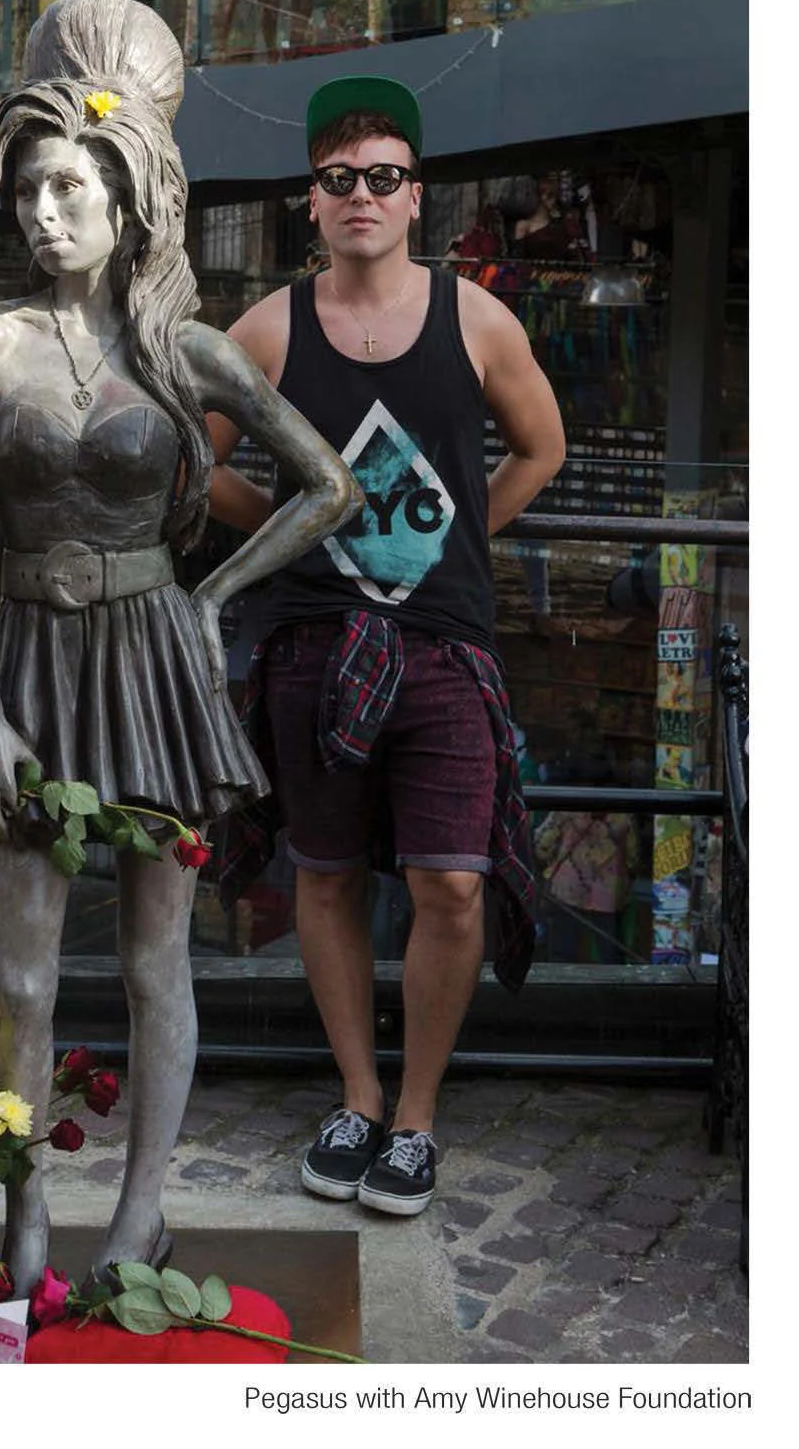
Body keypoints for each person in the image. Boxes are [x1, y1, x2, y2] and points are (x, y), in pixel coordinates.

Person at [0, 0, 359, 1292]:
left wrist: (214, 595)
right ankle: (21, 1214)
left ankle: (138, 1213)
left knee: (151, 958)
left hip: (153, 673)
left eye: (68, 187)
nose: (43, 213)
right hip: (27, 665)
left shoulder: (186, 353)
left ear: (127, 198)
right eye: (28, 190)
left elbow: (326, 482)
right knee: (22, 973)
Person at [207, 74, 565, 1217]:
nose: (359, 194)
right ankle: (356, 1098)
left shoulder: (477, 320)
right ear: (310, 200)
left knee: (449, 882)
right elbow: (188, 462)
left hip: (444, 646)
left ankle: (414, 1117)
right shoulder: (266, 328)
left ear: (415, 194)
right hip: (311, 643)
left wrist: (458, 535)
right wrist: (281, 531)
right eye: (337, 177)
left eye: (381, 175)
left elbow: (541, 447)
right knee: (321, 873)